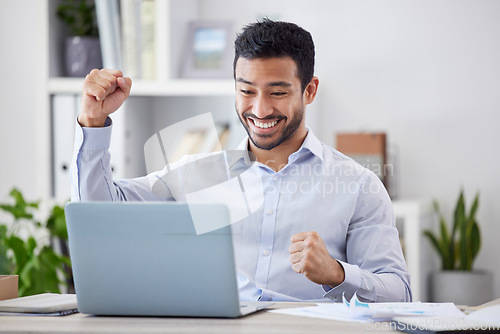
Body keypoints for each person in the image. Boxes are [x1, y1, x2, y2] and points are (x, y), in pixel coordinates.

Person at [71, 19, 411, 302]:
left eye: (278, 92)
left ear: (309, 91)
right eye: (247, 91)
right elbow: (97, 214)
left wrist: (337, 273)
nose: (260, 110)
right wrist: (92, 121)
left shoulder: (358, 186)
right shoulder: (194, 175)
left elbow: (399, 293)